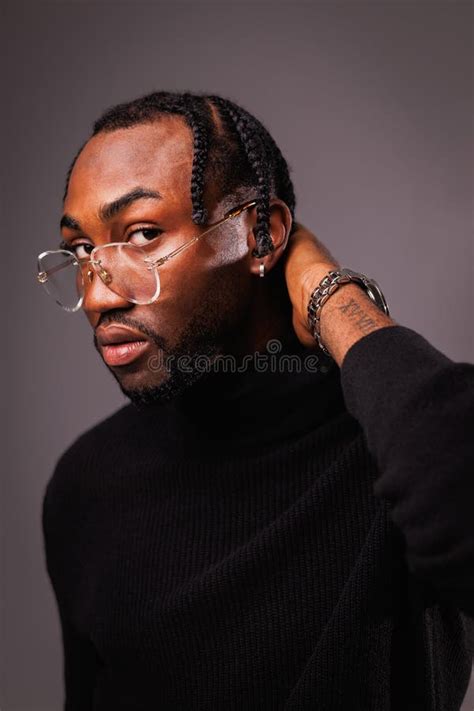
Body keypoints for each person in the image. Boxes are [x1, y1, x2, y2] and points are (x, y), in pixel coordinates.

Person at [38, 91, 474, 710]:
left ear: (260, 237)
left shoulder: (390, 435)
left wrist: (325, 288)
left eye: (140, 235)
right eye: (83, 251)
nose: (99, 296)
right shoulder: (86, 485)